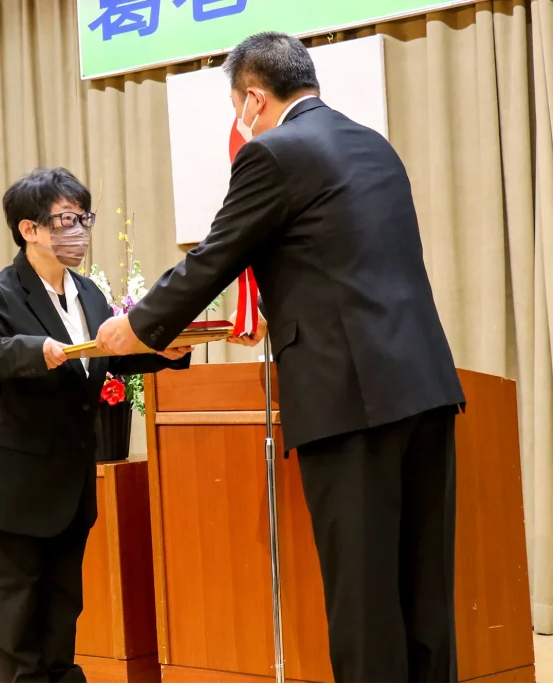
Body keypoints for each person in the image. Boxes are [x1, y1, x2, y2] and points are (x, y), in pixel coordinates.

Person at [95, 33, 465, 683]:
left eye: (237, 104)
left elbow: (215, 257)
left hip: (352, 400)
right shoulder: (372, 144)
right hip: (427, 386)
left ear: (254, 99)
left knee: (364, 603)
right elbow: (347, 269)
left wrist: (139, 329)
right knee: (426, 597)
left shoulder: (273, 153)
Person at [0, 167, 191, 682]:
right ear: (28, 229)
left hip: (66, 488)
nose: (78, 230)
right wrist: (36, 351)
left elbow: (105, 359)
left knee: (61, 618)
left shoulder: (88, 294)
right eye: (64, 220)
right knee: (19, 630)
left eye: (83, 218)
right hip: (7, 488)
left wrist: (160, 351)